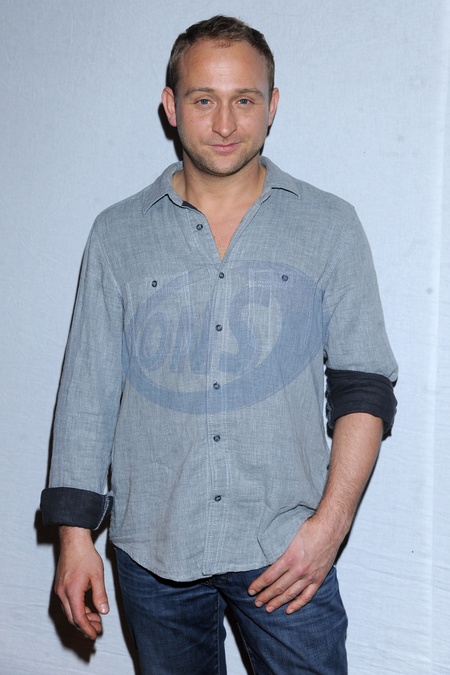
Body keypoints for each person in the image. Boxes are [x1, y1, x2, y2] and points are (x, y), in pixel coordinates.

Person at [41, 15, 398, 674]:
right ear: (171, 106)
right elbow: (87, 392)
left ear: (272, 105)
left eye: (245, 99)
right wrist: (74, 537)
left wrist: (329, 529)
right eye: (204, 99)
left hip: (286, 550)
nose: (226, 123)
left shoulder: (330, 226)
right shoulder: (118, 234)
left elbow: (364, 388)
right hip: (154, 550)